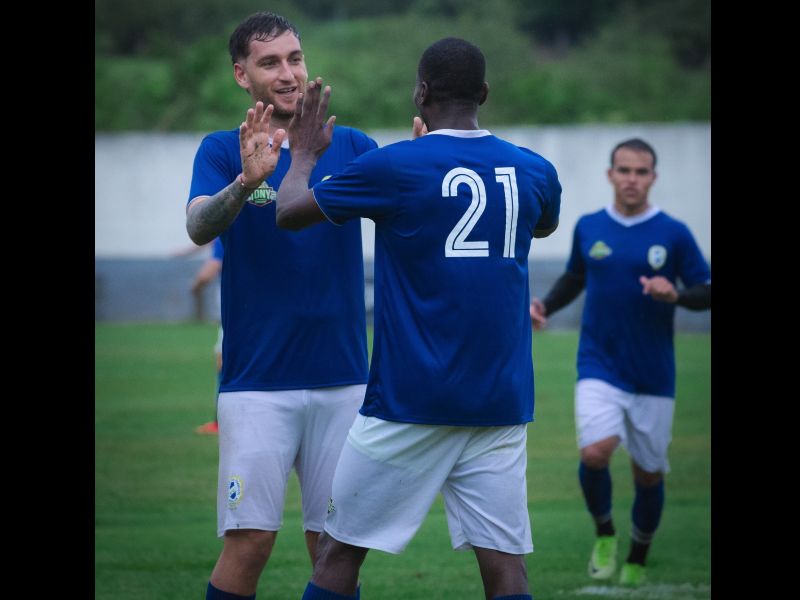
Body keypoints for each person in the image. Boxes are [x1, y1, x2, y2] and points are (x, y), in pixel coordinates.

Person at [274, 37, 562, 600]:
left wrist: (305, 155)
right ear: (484, 93)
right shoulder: (535, 169)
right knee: (506, 570)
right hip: (499, 403)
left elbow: (288, 213)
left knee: (338, 555)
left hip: (410, 402)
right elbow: (542, 224)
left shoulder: (393, 166)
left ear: (421, 92)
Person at [184, 12, 379, 600]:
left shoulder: (354, 146)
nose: (289, 72)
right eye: (270, 62)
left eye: (295, 58)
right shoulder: (223, 149)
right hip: (257, 383)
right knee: (250, 544)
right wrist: (245, 184)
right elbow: (197, 225)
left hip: (343, 379)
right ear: (242, 75)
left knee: (334, 553)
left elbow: (410, 220)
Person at [528, 138, 711, 587]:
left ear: (653, 177)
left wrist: (677, 295)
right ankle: (605, 533)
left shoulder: (673, 233)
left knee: (648, 473)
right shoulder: (590, 226)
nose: (632, 179)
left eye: (641, 171)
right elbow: (575, 276)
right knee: (595, 452)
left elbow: (705, 290)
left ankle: (638, 556)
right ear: (610, 174)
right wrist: (546, 307)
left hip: (653, 373)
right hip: (599, 364)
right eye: (624, 170)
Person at [191, 237, 224, 435]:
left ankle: (221, 421)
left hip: (236, 317)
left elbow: (210, 270)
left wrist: (196, 285)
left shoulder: (226, 233)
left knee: (223, 364)